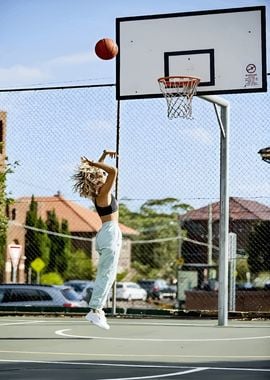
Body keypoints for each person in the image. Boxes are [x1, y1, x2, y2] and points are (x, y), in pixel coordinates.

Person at [73, 149, 122, 330]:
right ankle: (95, 311)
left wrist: (101, 157)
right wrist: (94, 163)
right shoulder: (103, 193)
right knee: (107, 274)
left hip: (107, 232)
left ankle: (97, 310)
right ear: (96, 178)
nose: (102, 174)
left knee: (109, 274)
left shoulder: (98, 193)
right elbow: (113, 172)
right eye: (99, 174)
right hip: (109, 232)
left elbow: (102, 172)